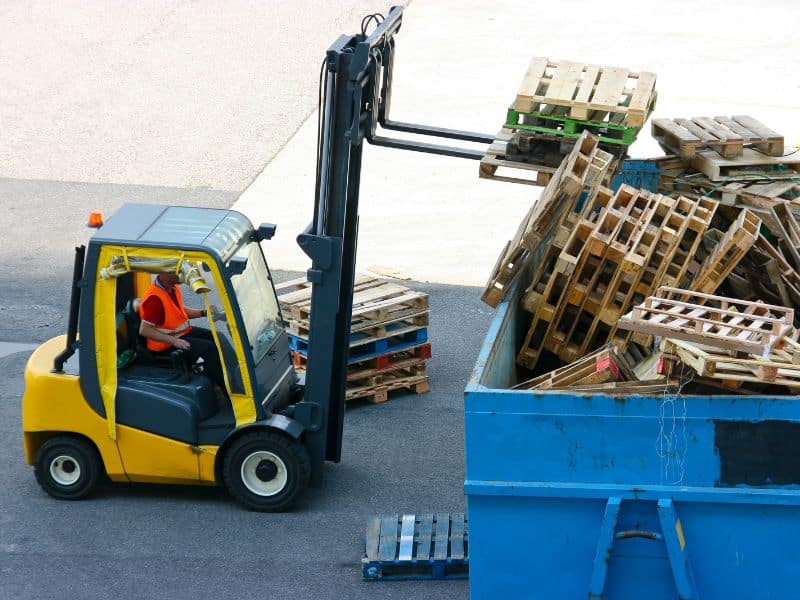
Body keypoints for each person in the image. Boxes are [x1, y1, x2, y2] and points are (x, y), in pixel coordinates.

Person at [138, 272, 226, 390]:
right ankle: (227, 390)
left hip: (179, 334)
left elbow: (179, 310)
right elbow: (144, 330)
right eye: (177, 271)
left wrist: (204, 312)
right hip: (164, 345)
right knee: (208, 349)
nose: (182, 274)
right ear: (165, 273)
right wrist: (173, 341)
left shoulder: (172, 288)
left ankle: (223, 376)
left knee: (215, 336)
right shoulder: (155, 300)